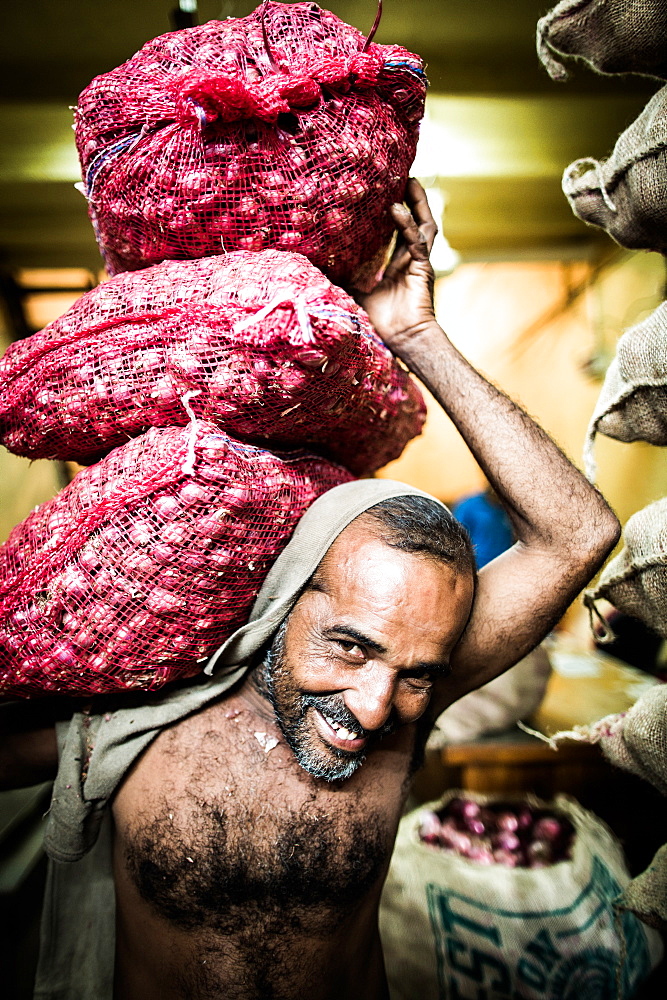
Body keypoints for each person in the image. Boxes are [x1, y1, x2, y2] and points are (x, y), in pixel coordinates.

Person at [0, 181, 619, 1000]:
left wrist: (416, 333)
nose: (371, 704)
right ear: (279, 603)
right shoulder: (131, 721)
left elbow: (577, 533)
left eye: (416, 672)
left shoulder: (401, 712)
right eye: (349, 646)